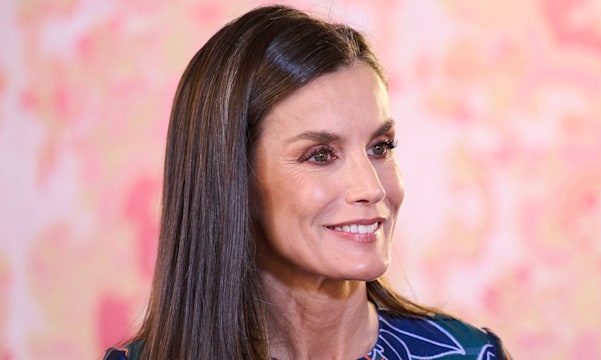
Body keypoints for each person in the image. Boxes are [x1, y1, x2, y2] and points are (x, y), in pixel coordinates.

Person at [104, 5, 511, 360]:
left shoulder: (469, 355)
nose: (371, 188)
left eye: (381, 147)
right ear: (233, 180)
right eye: (321, 154)